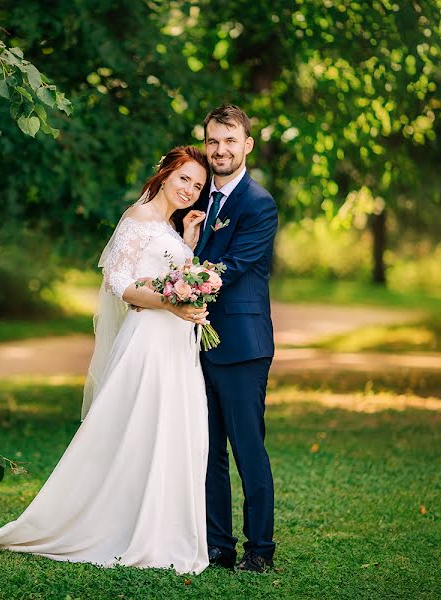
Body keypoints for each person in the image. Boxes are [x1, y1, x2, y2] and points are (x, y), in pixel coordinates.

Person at [0, 146, 215, 574]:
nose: (190, 190)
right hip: (149, 341)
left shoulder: (168, 225)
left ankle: (163, 528)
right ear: (164, 174)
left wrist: (189, 248)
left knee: (171, 430)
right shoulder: (138, 218)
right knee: (143, 428)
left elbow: (165, 275)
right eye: (184, 179)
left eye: (198, 186)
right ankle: (123, 527)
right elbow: (120, 283)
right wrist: (171, 302)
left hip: (175, 343)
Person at [192, 104, 279, 573]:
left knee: (247, 450)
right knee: (207, 453)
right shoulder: (195, 197)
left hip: (242, 346)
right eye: (212, 141)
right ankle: (218, 546)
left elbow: (235, 265)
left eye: (229, 140)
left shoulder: (258, 203)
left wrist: (178, 284)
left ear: (246, 144)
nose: (220, 150)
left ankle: (260, 550)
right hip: (193, 345)